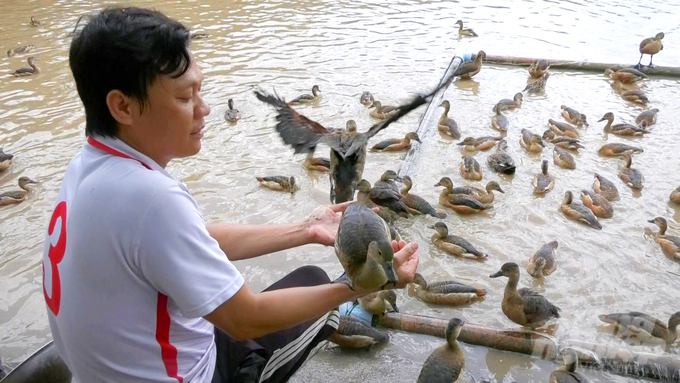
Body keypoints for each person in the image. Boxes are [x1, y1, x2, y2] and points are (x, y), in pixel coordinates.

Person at [41, 6, 419, 383]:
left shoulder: (87, 167)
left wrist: (304, 229)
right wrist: (360, 285)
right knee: (319, 287)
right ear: (122, 106)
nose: (204, 110)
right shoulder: (152, 200)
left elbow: (194, 239)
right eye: (185, 98)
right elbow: (244, 319)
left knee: (303, 277)